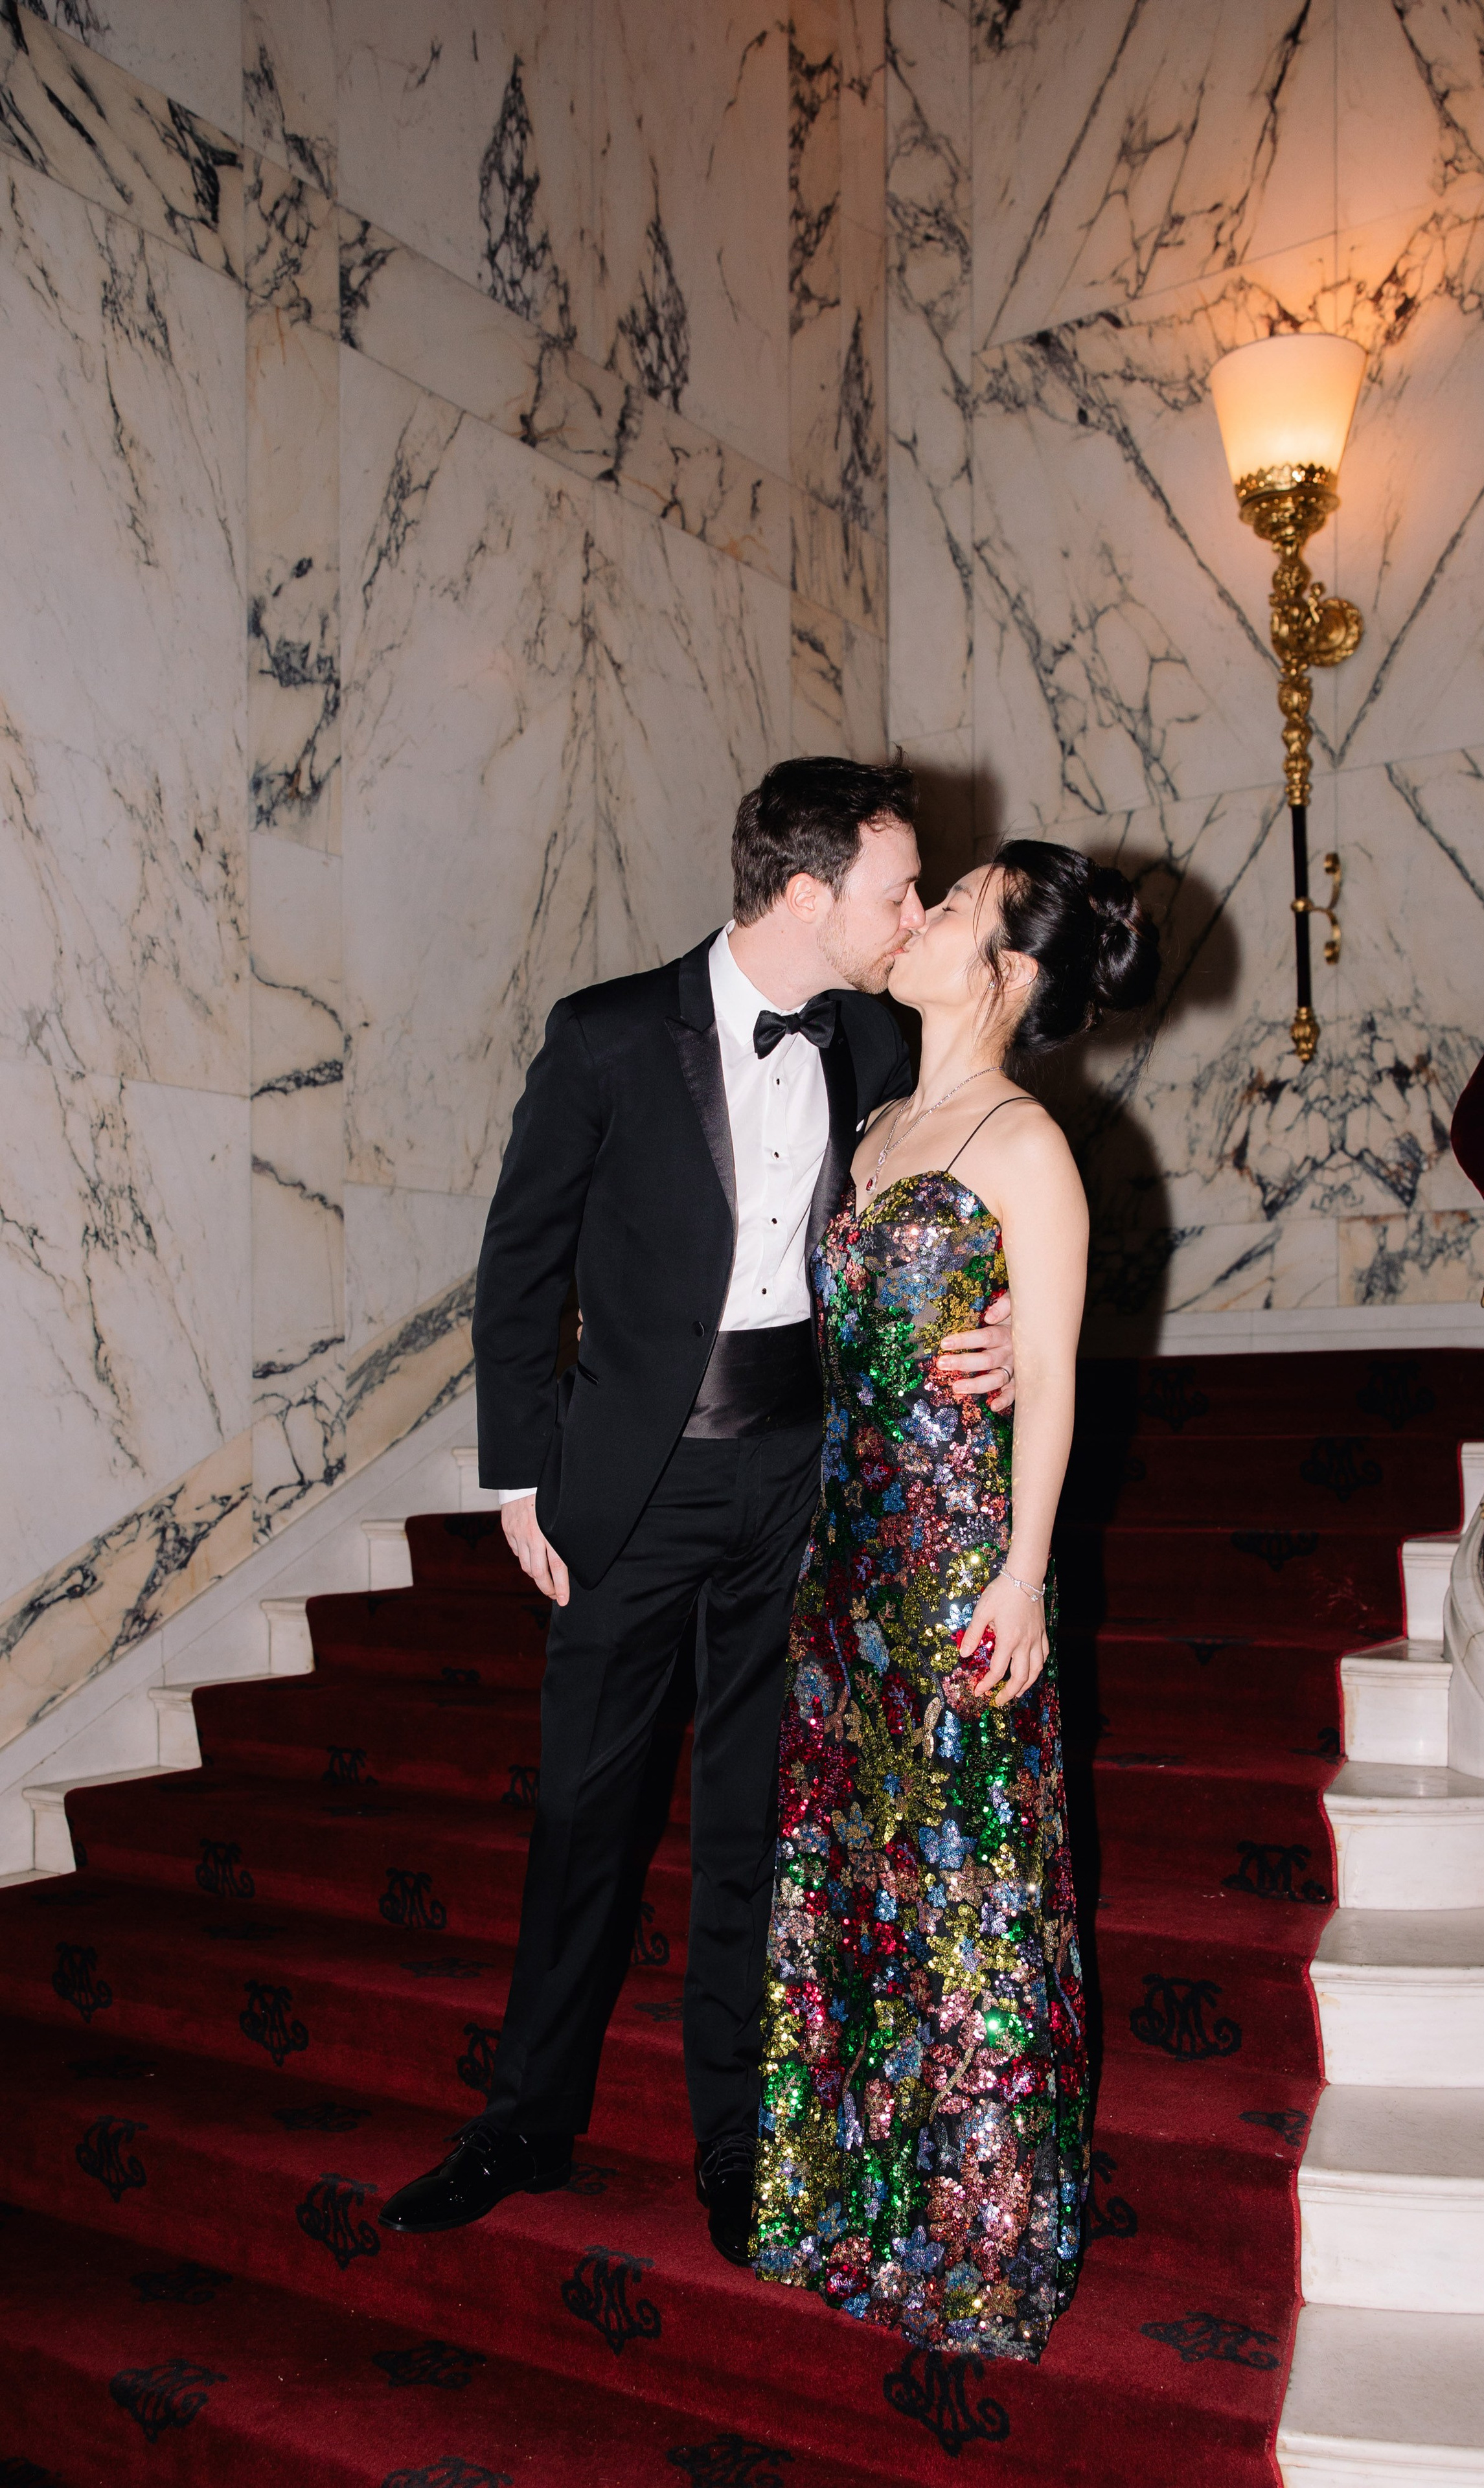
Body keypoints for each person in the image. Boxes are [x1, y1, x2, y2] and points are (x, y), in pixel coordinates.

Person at [381, 758, 1020, 2260]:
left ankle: (734, 2140)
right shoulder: (606, 1035)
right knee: (583, 1814)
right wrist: (520, 1471)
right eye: (892, 890)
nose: (910, 913)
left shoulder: (875, 1036)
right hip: (631, 1479)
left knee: (751, 1820)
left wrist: (996, 1330)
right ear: (806, 895)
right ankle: (526, 2118)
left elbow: (952, 1196)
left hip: (797, 1479)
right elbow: (519, 1265)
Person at [749, 841, 1159, 2362]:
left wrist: (1021, 1576)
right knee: (860, 1880)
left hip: (953, 1560)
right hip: (843, 1565)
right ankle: (847, 2195)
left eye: (952, 907)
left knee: (968, 1893)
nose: (915, 919)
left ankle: (978, 2231)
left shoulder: (1023, 1145)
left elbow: (1045, 1381)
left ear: (1010, 972)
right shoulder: (874, 1119)